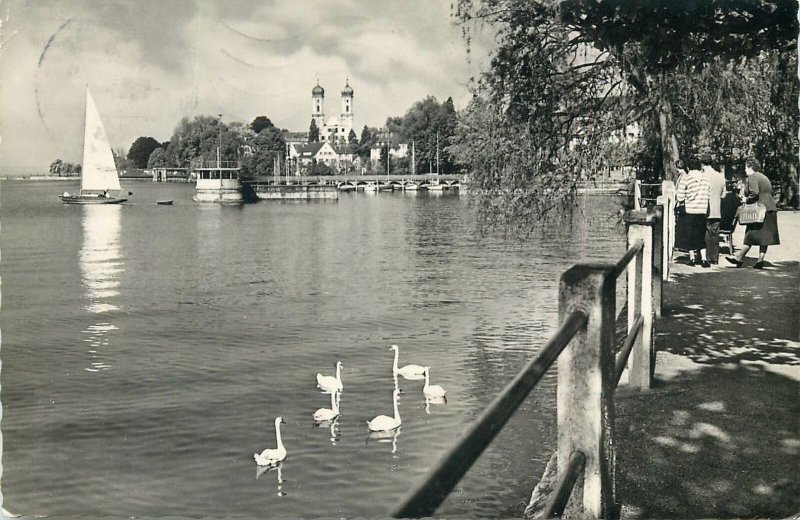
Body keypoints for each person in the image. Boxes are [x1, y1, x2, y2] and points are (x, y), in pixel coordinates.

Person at [726, 158, 780, 269]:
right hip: (770, 208)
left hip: (759, 210)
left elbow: (754, 192)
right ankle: (760, 260)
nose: (745, 170)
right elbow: (770, 192)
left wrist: (746, 199)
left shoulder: (752, 177)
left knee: (750, 234)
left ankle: (739, 258)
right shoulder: (764, 177)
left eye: (746, 167)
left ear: (750, 167)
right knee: (764, 237)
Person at [675, 157, 711, 267]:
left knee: (690, 235)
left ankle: (692, 259)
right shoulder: (706, 178)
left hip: (690, 210)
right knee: (701, 234)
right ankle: (704, 259)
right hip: (702, 210)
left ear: (688, 167)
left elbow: (680, 197)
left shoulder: (686, 178)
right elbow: (709, 194)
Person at [700, 151, 727, 265]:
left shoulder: (702, 176)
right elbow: (724, 194)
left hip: (703, 208)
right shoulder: (720, 176)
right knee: (715, 234)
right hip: (716, 209)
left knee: (704, 232)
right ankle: (714, 258)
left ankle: (705, 257)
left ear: (702, 164)